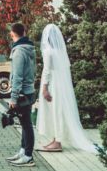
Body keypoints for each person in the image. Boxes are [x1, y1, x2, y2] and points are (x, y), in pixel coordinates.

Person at [36, 24, 97, 153]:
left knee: (54, 111)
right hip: (59, 85)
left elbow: (47, 70)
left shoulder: (48, 52)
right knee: (57, 111)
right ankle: (55, 139)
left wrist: (45, 88)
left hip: (52, 84)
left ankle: (57, 142)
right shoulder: (60, 52)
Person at [5, 23, 38, 167]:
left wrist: (13, 97)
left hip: (22, 93)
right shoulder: (30, 48)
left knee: (26, 125)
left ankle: (28, 156)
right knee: (25, 124)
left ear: (13, 33)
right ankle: (23, 151)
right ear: (24, 32)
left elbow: (17, 76)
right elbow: (34, 70)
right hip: (29, 90)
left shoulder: (19, 51)